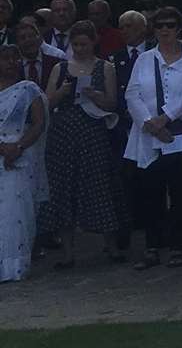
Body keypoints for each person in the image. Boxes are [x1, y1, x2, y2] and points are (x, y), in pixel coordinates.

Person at [38, 21, 130, 268]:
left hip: (93, 132)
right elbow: (46, 102)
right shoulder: (61, 68)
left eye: (84, 44)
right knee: (63, 189)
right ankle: (68, 253)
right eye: (75, 44)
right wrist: (63, 92)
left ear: (93, 43)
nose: (79, 49)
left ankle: (110, 246)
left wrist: (97, 96)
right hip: (63, 134)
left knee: (99, 185)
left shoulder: (105, 67)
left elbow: (112, 104)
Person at [123, 6, 182, 270]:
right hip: (149, 136)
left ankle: (177, 246)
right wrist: (152, 124)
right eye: (160, 26)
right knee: (150, 193)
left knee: (180, 193)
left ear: (179, 28)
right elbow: (132, 94)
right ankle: (152, 246)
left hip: (180, 135)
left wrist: (166, 117)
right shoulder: (145, 59)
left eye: (170, 25)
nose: (165, 30)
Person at [0, 45, 50, 281]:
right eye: (5, 58)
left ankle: (15, 266)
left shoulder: (29, 89)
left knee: (16, 211)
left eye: (15, 58)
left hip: (22, 153)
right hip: (2, 152)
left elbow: (39, 123)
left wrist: (17, 146)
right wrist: (3, 148)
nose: (11, 62)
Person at [108, 11, 150, 258]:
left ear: (143, 29)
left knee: (151, 177)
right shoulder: (115, 58)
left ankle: (153, 224)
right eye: (121, 26)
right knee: (124, 179)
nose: (125, 31)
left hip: (151, 124)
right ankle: (126, 225)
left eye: (130, 26)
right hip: (124, 127)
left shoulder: (155, 53)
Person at [14, 18, 62, 90]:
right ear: (17, 42)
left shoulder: (55, 63)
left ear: (39, 38)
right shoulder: (13, 66)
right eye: (22, 38)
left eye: (31, 36)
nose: (28, 40)